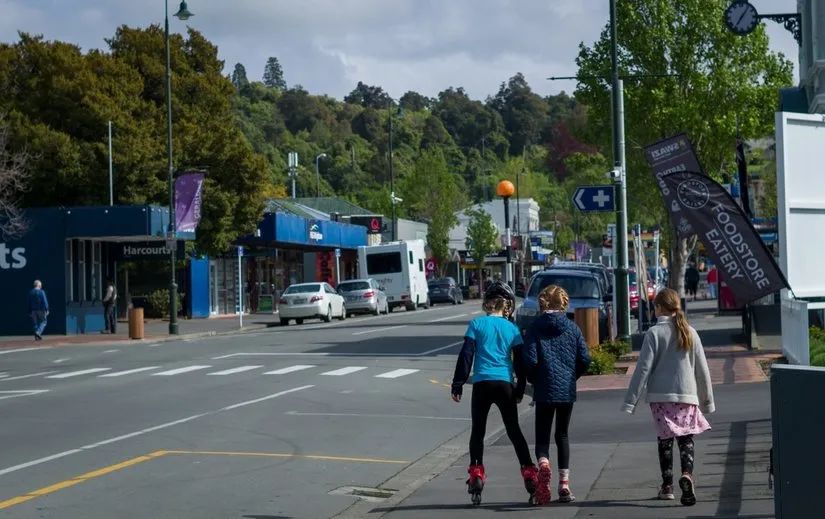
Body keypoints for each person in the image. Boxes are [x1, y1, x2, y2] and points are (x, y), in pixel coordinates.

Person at [622, 288, 714, 507]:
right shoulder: (691, 332)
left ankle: (667, 486)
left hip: (660, 397)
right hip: (687, 395)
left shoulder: (654, 333)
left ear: (660, 308)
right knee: (686, 438)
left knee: (665, 440)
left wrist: (630, 401)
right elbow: (702, 369)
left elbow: (643, 369)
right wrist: (707, 400)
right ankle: (687, 475)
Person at [451, 281, 538, 505]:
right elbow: (520, 363)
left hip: (482, 383)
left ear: (486, 304)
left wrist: (458, 383)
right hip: (504, 384)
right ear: (507, 306)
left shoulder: (476, 325)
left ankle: (476, 474)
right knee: (514, 431)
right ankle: (529, 474)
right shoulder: (512, 329)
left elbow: (466, 356)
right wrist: (519, 390)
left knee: (477, 431)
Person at [523, 285, 591, 505]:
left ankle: (543, 464)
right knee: (562, 434)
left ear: (543, 303)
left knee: (542, 436)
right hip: (566, 390)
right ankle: (564, 484)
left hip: (544, 390)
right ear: (563, 303)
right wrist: (572, 376)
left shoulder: (535, 328)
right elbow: (585, 358)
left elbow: (531, 360)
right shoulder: (572, 328)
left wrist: (534, 379)